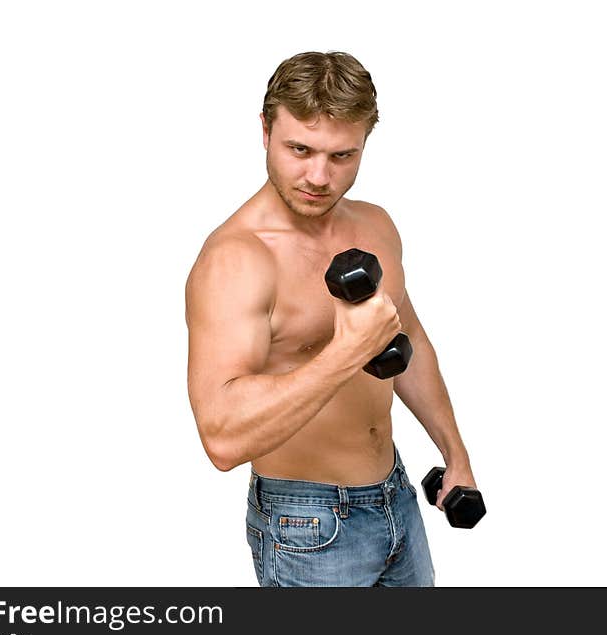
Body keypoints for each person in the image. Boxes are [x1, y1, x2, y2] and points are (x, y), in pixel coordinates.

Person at [185, 51, 478, 586]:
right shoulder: (237, 260)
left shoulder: (375, 225)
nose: (318, 177)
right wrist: (345, 353)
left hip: (396, 495)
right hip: (308, 526)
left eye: (342, 155)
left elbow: (406, 339)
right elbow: (221, 438)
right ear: (265, 129)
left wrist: (454, 452)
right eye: (300, 149)